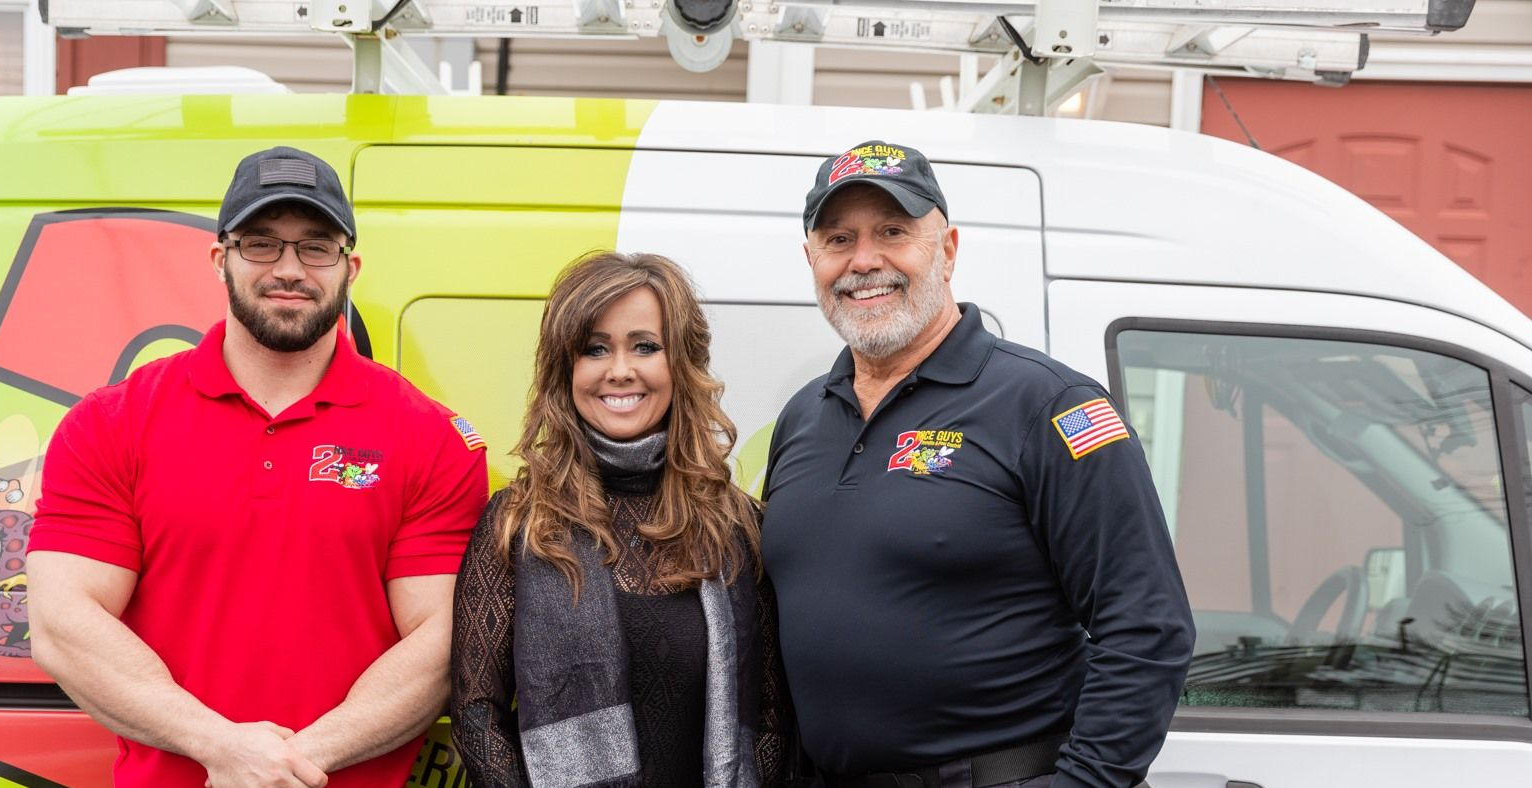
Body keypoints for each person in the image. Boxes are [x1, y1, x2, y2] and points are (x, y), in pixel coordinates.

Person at [28, 146, 489, 788]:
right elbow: (62, 623)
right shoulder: (110, 424)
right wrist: (218, 746)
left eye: (315, 247)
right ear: (222, 259)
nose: (290, 269)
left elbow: (444, 645)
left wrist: (295, 765)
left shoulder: (430, 438)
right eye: (262, 244)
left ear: (349, 267)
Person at [760, 141, 1196, 788]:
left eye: (893, 232)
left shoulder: (1047, 405)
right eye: (838, 238)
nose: (864, 261)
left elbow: (1147, 627)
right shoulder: (804, 418)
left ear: (949, 249)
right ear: (811, 259)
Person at [449, 251, 791, 788]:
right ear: (567, 370)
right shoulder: (518, 523)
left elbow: (772, 715)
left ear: (680, 363)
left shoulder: (737, 525)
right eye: (595, 349)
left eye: (645, 346)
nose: (620, 370)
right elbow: (476, 713)